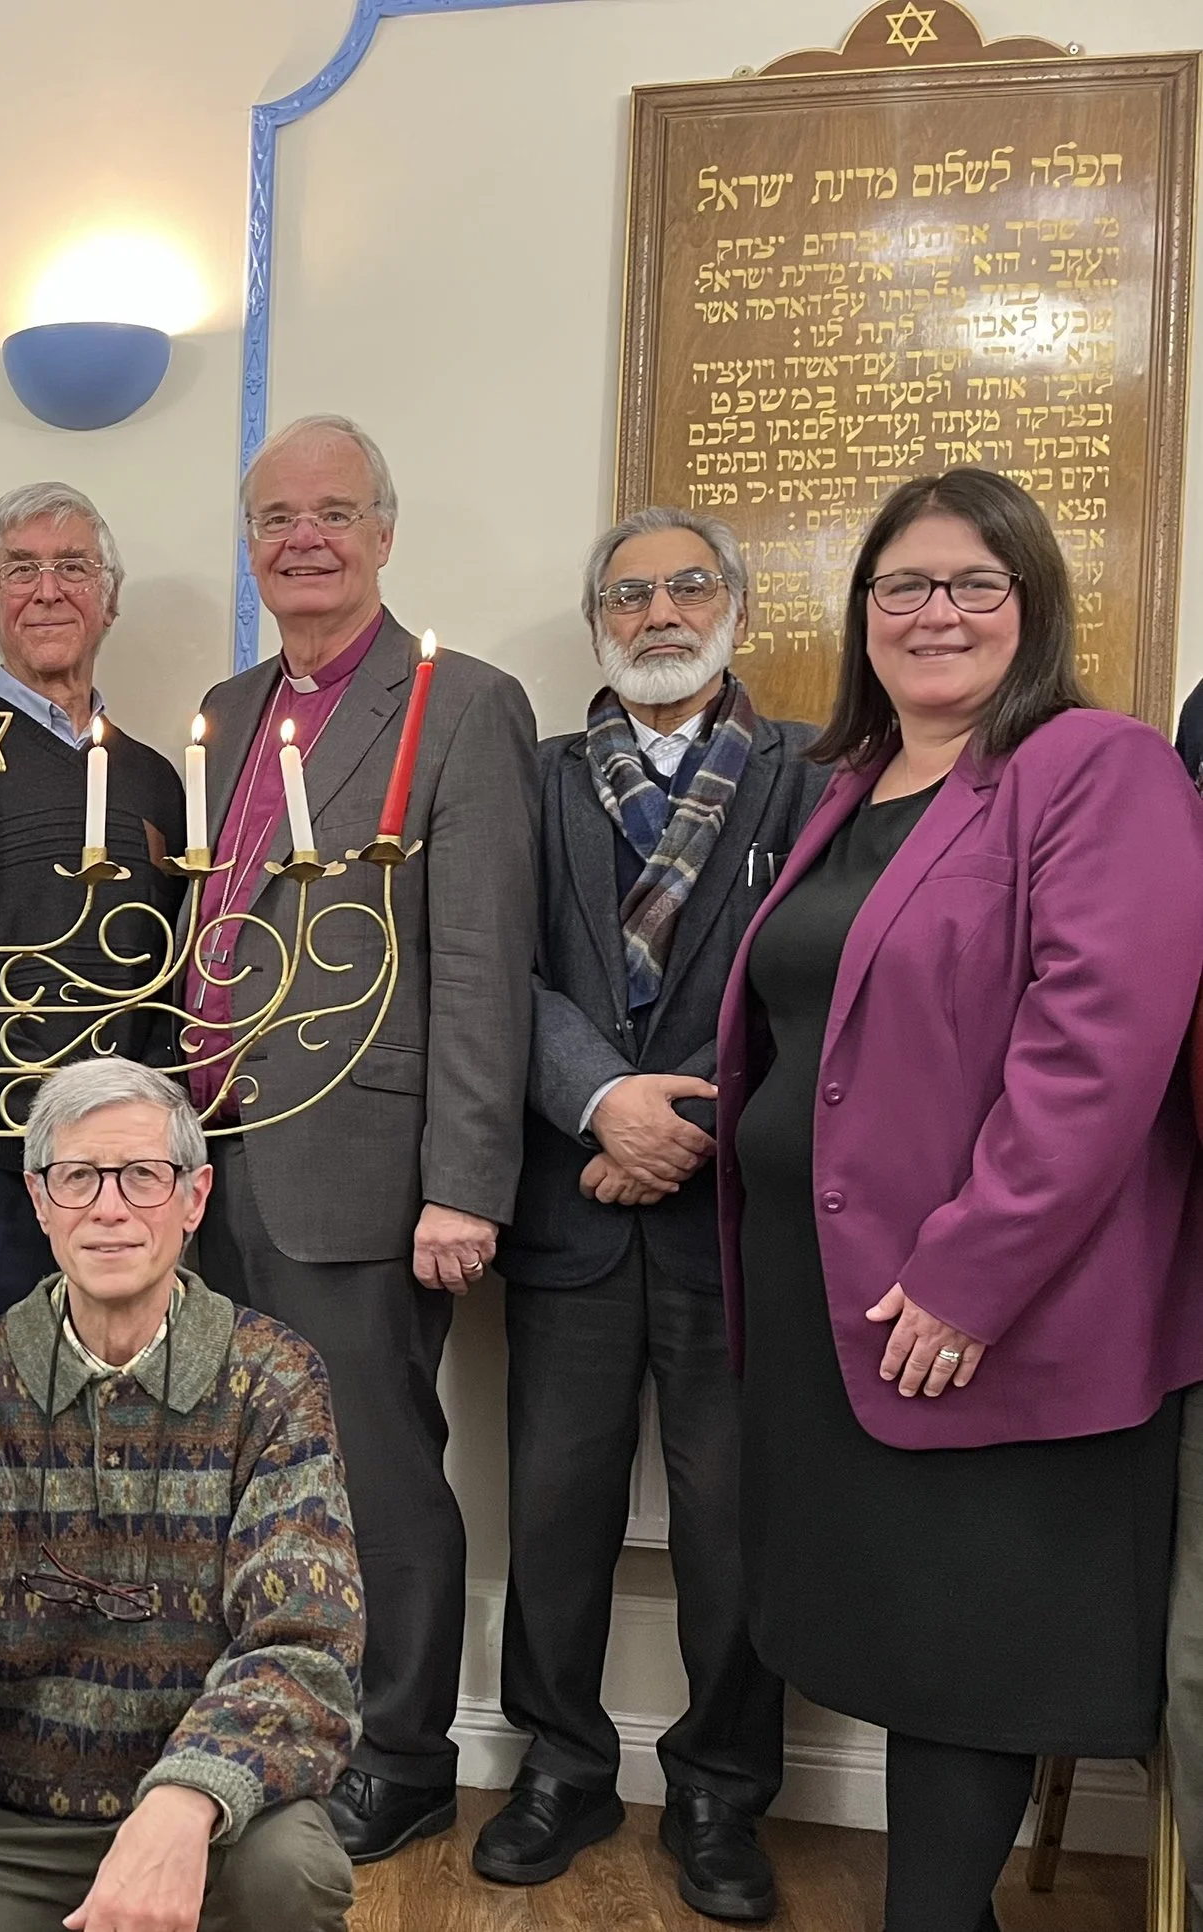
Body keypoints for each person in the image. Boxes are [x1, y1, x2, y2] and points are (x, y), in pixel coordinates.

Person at [714, 467, 1203, 1932]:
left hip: (985, 1308)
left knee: (970, 1655)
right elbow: (829, 1021)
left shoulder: (1097, 766)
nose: (936, 613)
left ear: (1032, 604)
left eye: (975, 584)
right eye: (903, 586)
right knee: (897, 1634)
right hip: (830, 1296)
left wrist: (968, 1274)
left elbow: (1097, 1050)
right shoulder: (850, 784)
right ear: (862, 614)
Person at [186, 413, 537, 1863]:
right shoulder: (229, 705)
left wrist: (464, 1184)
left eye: (333, 512)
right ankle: (272, 1726)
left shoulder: (461, 703)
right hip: (214, 1152)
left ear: (384, 533)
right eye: (276, 518)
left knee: (375, 1473)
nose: (304, 539)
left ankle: (402, 1752)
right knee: (245, 1467)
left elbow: (485, 961)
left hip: (363, 1166)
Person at [486, 507, 825, 1918]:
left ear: (736, 606)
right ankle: (560, 1766)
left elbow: (821, 982)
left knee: (733, 1529)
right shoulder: (535, 778)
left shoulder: (816, 775)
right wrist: (602, 1101)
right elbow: (494, 969)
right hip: (569, 1206)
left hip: (729, 1216)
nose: (660, 614)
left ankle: (720, 1792)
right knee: (551, 1512)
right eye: (628, 595)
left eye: (689, 587)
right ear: (596, 623)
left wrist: (680, 1127)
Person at [0, 1058, 362, 1932]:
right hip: (18, 1824)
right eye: (78, 1177)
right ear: (40, 1200)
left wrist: (184, 1800)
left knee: (294, 1873)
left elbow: (307, 1647)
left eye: (143, 1176)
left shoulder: (273, 1378)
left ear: (194, 1198)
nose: (110, 1207)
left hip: (209, 1816)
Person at [0, 483, 184, 1340]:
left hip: (128, 1170)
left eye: (73, 567)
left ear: (109, 599)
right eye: (20, 570)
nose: (48, 590)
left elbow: (173, 978)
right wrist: (53, 1131)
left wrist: (127, 1132)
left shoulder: (155, 779)